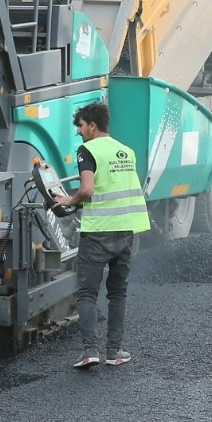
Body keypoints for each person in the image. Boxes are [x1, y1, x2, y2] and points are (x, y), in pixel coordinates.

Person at [54, 102, 151, 370]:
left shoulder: (88, 150)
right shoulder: (126, 151)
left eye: (81, 126)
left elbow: (87, 189)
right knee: (117, 293)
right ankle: (114, 351)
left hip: (98, 232)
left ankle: (89, 352)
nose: (79, 132)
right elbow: (115, 190)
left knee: (87, 293)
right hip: (126, 231)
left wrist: (69, 200)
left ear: (92, 125)